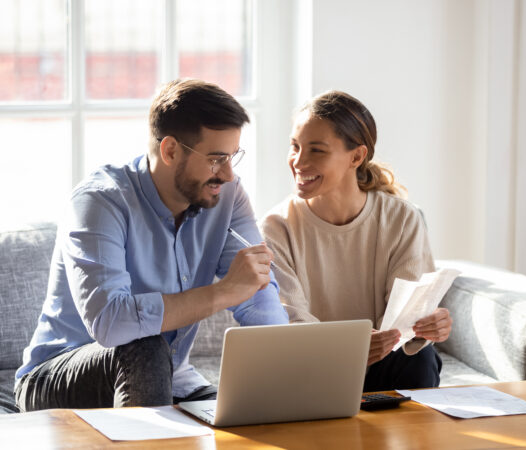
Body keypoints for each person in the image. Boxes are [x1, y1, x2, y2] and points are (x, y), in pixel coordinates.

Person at [14, 79, 288, 411]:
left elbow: (258, 292)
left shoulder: (227, 196)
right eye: (217, 159)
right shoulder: (100, 202)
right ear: (170, 150)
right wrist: (222, 292)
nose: (228, 174)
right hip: (57, 375)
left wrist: (286, 368)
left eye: (233, 157)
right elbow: (111, 322)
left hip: (173, 378)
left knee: (248, 417)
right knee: (144, 347)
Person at [260, 90, 451, 391]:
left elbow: (406, 317)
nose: (298, 161)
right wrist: (350, 348)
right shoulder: (276, 227)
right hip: (314, 367)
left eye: (316, 150)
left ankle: (415, 437)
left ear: (357, 156)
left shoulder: (401, 218)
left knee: (419, 358)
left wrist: (427, 326)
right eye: (294, 146)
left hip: (386, 362)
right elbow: (290, 323)